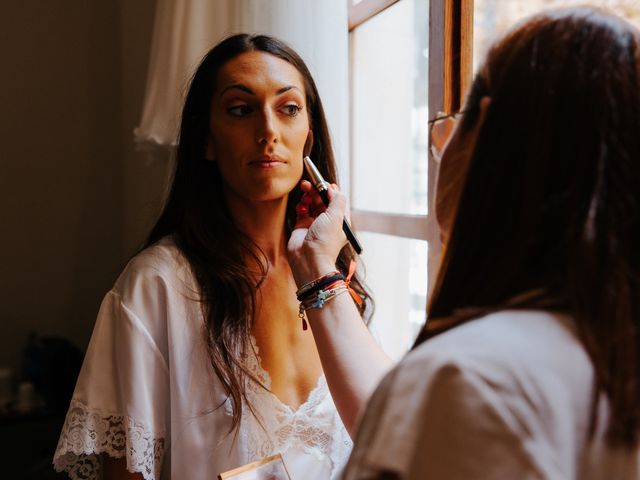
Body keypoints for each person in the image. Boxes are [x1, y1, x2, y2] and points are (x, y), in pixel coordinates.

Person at [287, 7, 640, 479]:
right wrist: (317, 269)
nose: (441, 148)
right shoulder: (601, 348)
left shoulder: (469, 382)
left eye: (452, 122)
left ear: (487, 134)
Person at [53, 34, 391, 480]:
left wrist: (321, 268)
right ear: (206, 141)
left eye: (288, 109)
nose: (268, 130)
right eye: (240, 109)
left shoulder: (335, 273)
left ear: (308, 138)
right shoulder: (157, 286)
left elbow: (391, 432)